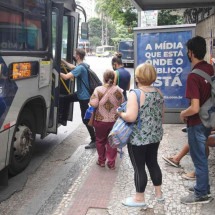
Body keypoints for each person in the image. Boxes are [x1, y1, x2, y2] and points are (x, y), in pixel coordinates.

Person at [118, 63, 164, 207]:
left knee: (139, 168)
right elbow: (161, 115)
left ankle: (139, 198)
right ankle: (159, 195)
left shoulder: (135, 93)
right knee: (153, 163)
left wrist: (120, 113)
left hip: (138, 138)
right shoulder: (158, 92)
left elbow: (131, 117)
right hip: (155, 136)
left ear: (137, 77)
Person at [180, 36, 214, 205]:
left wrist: (182, 114)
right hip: (208, 120)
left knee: (199, 158)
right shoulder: (210, 68)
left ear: (191, 53)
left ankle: (201, 194)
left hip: (197, 122)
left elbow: (194, 107)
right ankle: (203, 187)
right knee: (201, 157)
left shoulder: (193, 76)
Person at [60, 48, 96, 149]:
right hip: (81, 94)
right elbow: (72, 67)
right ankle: (63, 118)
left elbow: (66, 77)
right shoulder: (83, 65)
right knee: (66, 99)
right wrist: (63, 61)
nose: (74, 56)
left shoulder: (80, 68)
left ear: (78, 56)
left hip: (83, 97)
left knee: (85, 119)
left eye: (75, 54)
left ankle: (94, 140)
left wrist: (55, 71)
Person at [89, 69, 124, 169]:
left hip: (100, 120)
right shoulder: (118, 90)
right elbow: (122, 104)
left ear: (104, 78)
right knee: (112, 142)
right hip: (114, 121)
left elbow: (94, 104)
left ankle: (101, 161)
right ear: (114, 79)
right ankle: (111, 163)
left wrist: (91, 100)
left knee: (100, 141)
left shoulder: (98, 90)